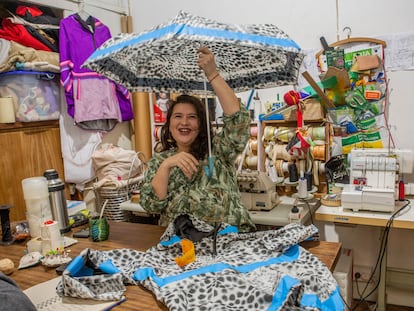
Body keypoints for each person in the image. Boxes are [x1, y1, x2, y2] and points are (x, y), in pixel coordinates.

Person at [139, 47, 255, 232]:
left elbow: (238, 120)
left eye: (192, 117)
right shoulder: (159, 161)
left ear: (201, 124)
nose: (184, 122)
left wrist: (213, 74)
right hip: (180, 246)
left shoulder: (218, 151)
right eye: (177, 116)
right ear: (169, 124)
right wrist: (167, 165)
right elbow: (151, 204)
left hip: (225, 243)